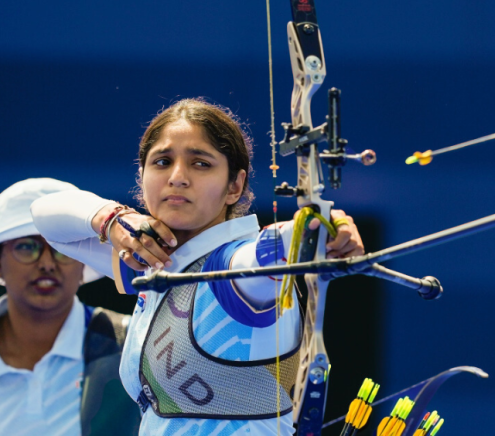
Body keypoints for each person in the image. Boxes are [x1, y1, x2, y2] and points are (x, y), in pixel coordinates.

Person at [32, 98, 364, 435]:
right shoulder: (154, 262)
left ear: (234, 185)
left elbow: (271, 252)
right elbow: (46, 218)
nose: (177, 177)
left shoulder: (233, 269)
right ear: (142, 176)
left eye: (200, 164)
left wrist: (321, 228)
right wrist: (113, 219)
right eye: (162, 161)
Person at [0, 178, 141, 436]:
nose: (46, 263)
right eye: (27, 247)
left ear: (84, 263)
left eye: (60, 249)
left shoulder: (138, 345)